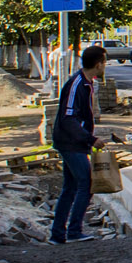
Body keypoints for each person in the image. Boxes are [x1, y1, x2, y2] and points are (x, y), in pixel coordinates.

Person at [50, 45, 106, 244]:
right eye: (104, 62)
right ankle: (73, 231)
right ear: (98, 64)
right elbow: (68, 118)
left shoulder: (86, 83)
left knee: (70, 187)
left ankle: (57, 234)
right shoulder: (77, 84)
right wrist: (90, 139)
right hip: (70, 143)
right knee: (86, 183)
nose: (105, 66)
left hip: (75, 142)